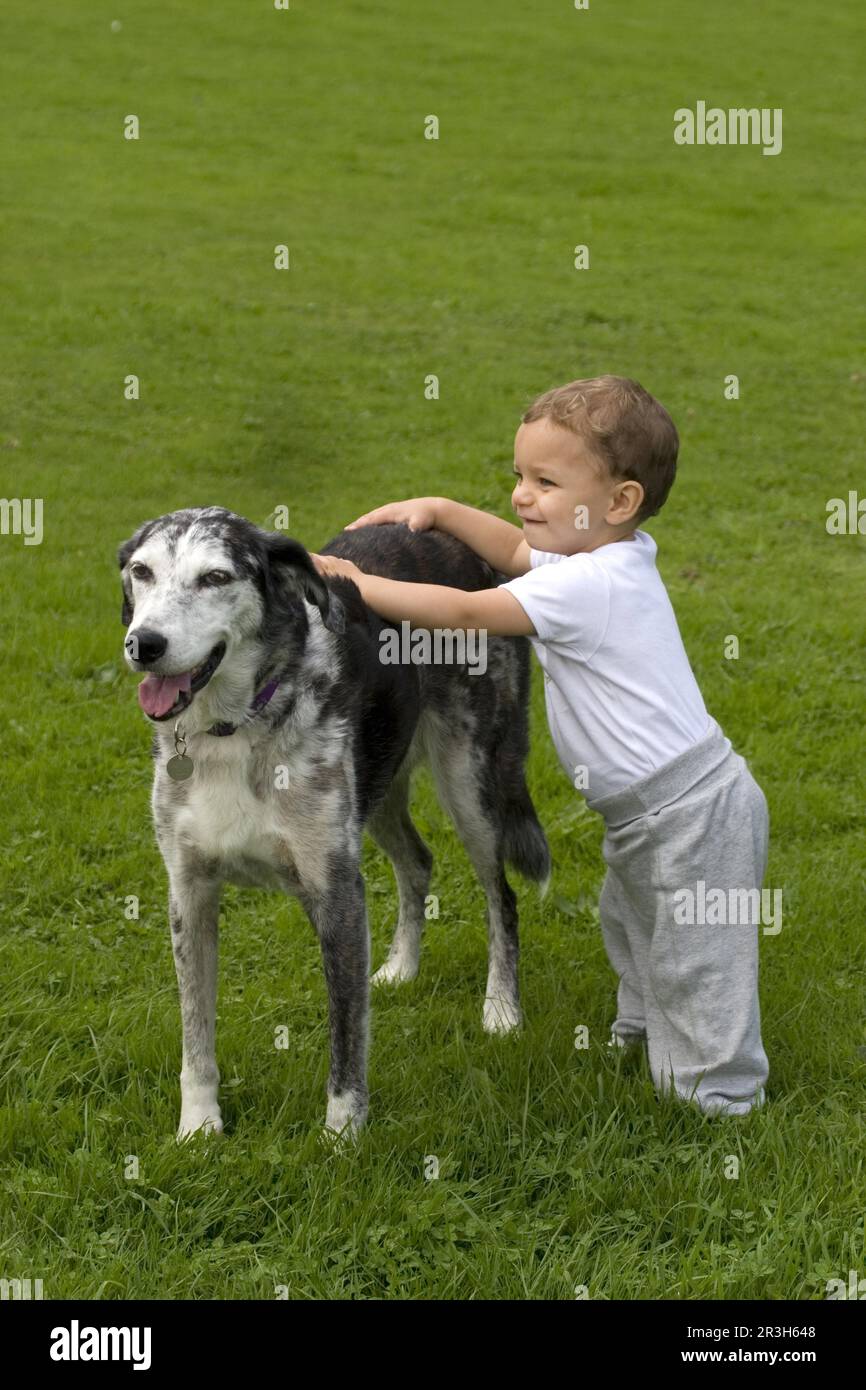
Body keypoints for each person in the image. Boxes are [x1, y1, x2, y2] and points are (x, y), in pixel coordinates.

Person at [312, 375, 770, 1116]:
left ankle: (719, 1097)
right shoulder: (600, 557)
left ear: (617, 502)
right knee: (635, 925)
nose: (522, 497)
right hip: (649, 811)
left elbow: (464, 608)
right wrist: (441, 511)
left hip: (691, 811)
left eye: (545, 482)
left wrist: (357, 580)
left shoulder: (592, 587)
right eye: (517, 476)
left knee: (699, 957)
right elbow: (516, 552)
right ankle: (644, 1033)